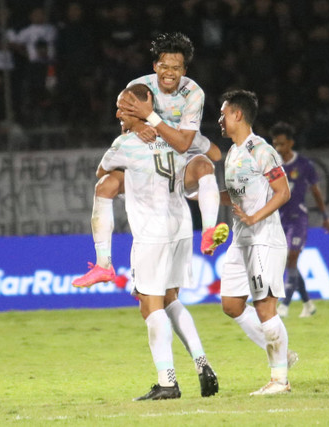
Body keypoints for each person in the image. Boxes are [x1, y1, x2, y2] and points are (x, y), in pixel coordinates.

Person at [92, 83, 218, 400]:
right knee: (170, 298)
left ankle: (167, 381)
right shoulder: (176, 134)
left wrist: (136, 144)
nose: (118, 113)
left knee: (149, 305)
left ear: (142, 105)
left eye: (124, 107)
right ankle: (203, 363)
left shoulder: (125, 142)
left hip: (151, 230)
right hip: (180, 225)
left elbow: (101, 173)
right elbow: (213, 154)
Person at [72, 32, 228, 288]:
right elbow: (122, 114)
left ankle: (209, 230)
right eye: (164, 66)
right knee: (105, 185)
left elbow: (183, 144)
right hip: (153, 155)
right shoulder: (139, 86)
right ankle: (103, 265)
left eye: (176, 68)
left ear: (184, 69)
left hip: (182, 152)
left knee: (208, 161)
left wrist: (150, 118)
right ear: (155, 65)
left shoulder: (193, 93)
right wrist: (135, 128)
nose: (169, 72)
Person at [217, 89, 292, 395]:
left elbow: (282, 191)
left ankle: (279, 380)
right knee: (232, 305)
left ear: (238, 114)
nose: (220, 120)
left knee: (265, 308)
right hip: (241, 240)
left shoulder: (260, 150)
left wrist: (254, 217)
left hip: (263, 238)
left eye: (223, 113)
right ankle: (282, 355)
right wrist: (200, 194)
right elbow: (234, 197)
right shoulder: (233, 154)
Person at [271, 121, 329, 318]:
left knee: (291, 257)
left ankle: (284, 305)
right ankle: (308, 304)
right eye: (275, 144)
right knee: (289, 263)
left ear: (290, 143)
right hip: (279, 219)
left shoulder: (304, 165)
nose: (278, 148)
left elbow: (315, 191)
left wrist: (325, 216)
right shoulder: (272, 165)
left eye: (281, 144)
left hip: (298, 218)